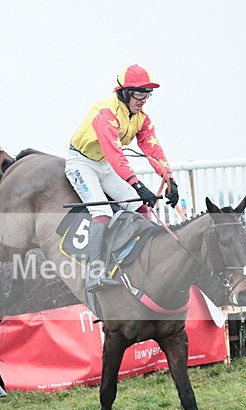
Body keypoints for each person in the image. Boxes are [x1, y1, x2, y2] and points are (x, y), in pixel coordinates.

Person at [66, 64, 179, 292]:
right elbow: (116, 155)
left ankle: (149, 261)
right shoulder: (105, 113)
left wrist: (169, 180)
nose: (144, 99)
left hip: (104, 166)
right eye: (139, 93)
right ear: (125, 92)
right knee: (103, 213)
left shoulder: (141, 118)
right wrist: (138, 185)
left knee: (140, 208)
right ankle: (95, 275)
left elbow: (153, 149)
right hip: (82, 163)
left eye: (148, 93)